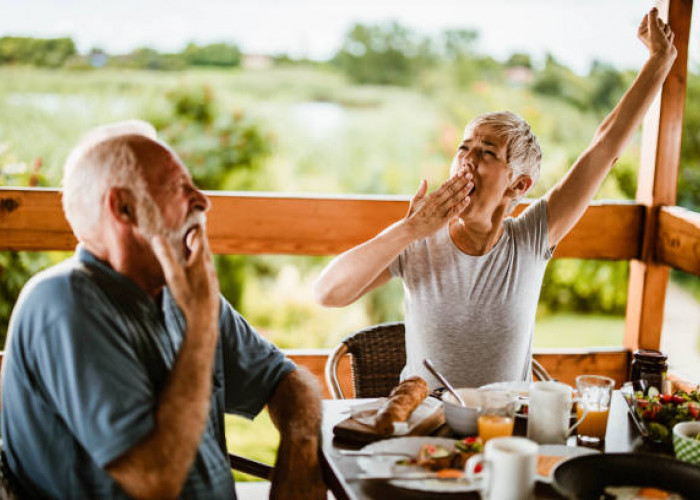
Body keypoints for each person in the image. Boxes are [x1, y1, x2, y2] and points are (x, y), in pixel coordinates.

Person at [313, 8, 677, 389]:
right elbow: (327, 293)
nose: (467, 160)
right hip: (424, 429)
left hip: (503, 432)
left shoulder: (532, 238)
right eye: (463, 147)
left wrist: (658, 61)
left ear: (518, 186)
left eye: (486, 152)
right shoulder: (417, 237)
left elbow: (604, 149)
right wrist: (408, 229)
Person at [0, 121, 327, 499]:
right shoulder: (65, 302)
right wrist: (201, 326)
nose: (204, 200)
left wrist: (300, 449)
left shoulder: (179, 293)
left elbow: (288, 380)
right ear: (124, 208)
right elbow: (154, 480)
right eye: (178, 188)